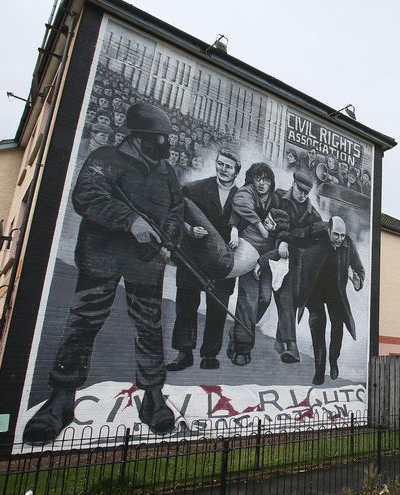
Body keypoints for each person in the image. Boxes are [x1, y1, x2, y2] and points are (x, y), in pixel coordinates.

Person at [23, 103, 183, 443]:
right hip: (102, 256)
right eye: (160, 137)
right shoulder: (105, 158)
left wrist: (168, 237)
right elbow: (86, 196)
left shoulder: (166, 171)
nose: (166, 143)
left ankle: (153, 396)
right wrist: (130, 220)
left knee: (150, 328)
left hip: (145, 261)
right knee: (83, 322)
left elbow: (176, 208)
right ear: (141, 137)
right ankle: (61, 398)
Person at [166, 148, 241, 371]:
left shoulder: (243, 198)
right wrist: (189, 229)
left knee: (217, 309)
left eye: (228, 166)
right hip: (194, 257)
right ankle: (184, 353)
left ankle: (210, 354)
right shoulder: (194, 188)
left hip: (223, 263)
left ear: (236, 171)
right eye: (220, 164)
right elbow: (175, 214)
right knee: (186, 306)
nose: (223, 169)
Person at [226, 163, 289, 365]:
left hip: (268, 257)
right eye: (258, 179)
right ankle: (242, 347)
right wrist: (234, 231)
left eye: (266, 179)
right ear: (252, 179)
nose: (262, 183)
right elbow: (236, 216)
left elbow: (283, 230)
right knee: (249, 298)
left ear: (271, 182)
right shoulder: (247, 195)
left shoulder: (277, 200)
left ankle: (239, 330)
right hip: (248, 251)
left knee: (264, 299)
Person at [295, 216, 364, 385]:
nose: (340, 239)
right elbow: (297, 240)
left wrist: (357, 280)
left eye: (342, 235)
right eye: (336, 235)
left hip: (336, 293)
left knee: (337, 329)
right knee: (317, 330)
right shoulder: (316, 239)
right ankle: (319, 370)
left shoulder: (348, 245)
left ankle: (333, 362)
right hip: (315, 292)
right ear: (328, 231)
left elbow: (359, 268)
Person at [271, 171, 323, 363]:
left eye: (306, 192)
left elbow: (317, 240)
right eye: (300, 190)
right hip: (269, 253)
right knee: (273, 300)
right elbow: (270, 222)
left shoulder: (313, 214)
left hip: (293, 263)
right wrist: (281, 241)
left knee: (288, 300)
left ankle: (288, 345)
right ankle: (283, 342)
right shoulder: (277, 197)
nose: (302, 195)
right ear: (293, 184)